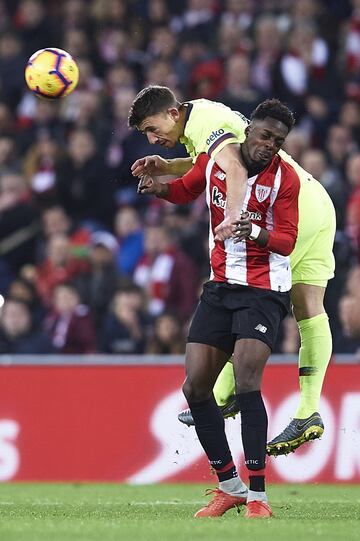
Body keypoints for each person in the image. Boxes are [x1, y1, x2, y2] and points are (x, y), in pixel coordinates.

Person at [129, 85, 336, 456]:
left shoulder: (206, 122)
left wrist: (233, 218)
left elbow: (236, 169)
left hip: (283, 209)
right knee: (309, 307)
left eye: (151, 127)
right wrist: (168, 168)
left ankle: (223, 394)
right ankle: (308, 410)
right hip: (315, 200)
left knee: (241, 288)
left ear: (173, 113)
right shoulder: (203, 120)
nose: (152, 137)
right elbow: (212, 165)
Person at [137, 100, 300, 518]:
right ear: (248, 131)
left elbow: (286, 241)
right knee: (194, 388)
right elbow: (186, 189)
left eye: (278, 141)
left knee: (247, 381)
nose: (270, 146)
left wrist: (256, 231)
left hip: (263, 291)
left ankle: (260, 496)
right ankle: (230, 485)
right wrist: (159, 188)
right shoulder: (214, 159)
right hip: (221, 287)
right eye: (264, 136)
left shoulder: (285, 179)